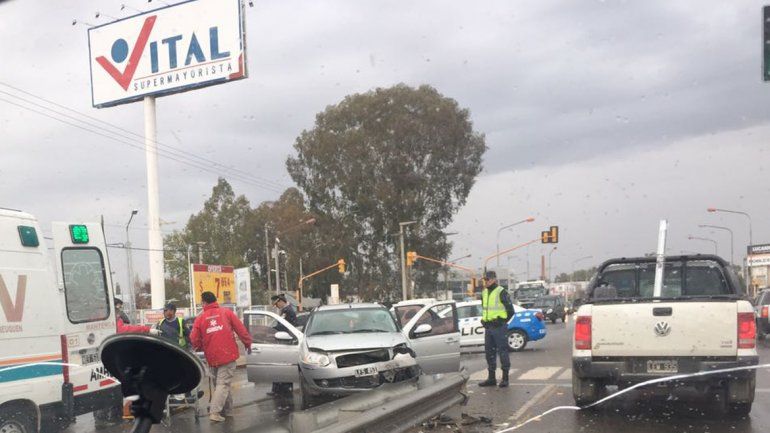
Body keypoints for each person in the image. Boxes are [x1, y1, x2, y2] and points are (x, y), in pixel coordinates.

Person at [190, 291, 252, 422]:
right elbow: (240, 329)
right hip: (227, 354)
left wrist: (200, 347)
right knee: (223, 384)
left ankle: (227, 410)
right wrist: (247, 343)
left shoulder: (200, 318)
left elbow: (194, 338)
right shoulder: (226, 313)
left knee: (222, 384)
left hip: (212, 357)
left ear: (204, 302)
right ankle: (215, 412)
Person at [478, 271, 515, 388]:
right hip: (488, 327)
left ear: (494, 279)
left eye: (488, 279)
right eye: (485, 279)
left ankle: (505, 379)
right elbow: (485, 309)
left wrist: (502, 321)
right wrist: (484, 320)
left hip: (499, 327)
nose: (486, 281)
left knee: (502, 352)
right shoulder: (484, 293)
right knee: (489, 353)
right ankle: (491, 378)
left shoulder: (501, 291)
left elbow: (511, 311)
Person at [268, 294, 297, 396]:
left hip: (285, 341)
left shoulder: (288, 311)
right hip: (283, 340)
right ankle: (279, 389)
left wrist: (271, 330)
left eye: (277, 304)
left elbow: (283, 326)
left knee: (282, 365)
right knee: (280, 365)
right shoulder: (286, 310)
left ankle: (283, 389)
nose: (276, 306)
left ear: (281, 301)